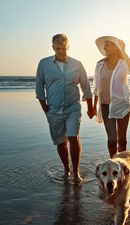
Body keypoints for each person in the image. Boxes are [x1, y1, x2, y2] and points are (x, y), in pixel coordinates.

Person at [35, 34, 96, 183]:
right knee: (61, 143)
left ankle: (76, 173)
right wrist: (46, 111)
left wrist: (90, 107)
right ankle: (66, 169)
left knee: (73, 138)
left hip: (73, 109)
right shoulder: (44, 64)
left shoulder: (77, 64)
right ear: (53, 48)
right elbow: (39, 88)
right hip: (53, 110)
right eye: (58, 48)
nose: (61, 51)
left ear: (68, 46)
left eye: (64, 48)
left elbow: (85, 87)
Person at [93, 36, 130, 158]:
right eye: (104, 45)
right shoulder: (100, 64)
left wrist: (124, 51)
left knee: (122, 140)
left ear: (115, 47)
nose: (105, 47)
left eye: (108, 45)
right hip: (106, 106)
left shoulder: (123, 64)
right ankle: (113, 162)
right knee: (112, 140)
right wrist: (93, 105)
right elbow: (96, 86)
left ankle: (122, 164)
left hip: (122, 105)